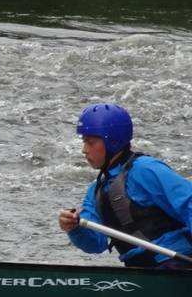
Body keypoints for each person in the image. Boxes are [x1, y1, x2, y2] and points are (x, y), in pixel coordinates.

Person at [58, 102, 192, 268]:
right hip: (139, 272)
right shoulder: (96, 191)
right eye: (84, 142)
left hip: (176, 264)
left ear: (112, 142)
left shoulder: (146, 169)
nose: (84, 150)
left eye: (91, 142)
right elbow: (96, 244)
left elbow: (189, 204)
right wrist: (74, 228)